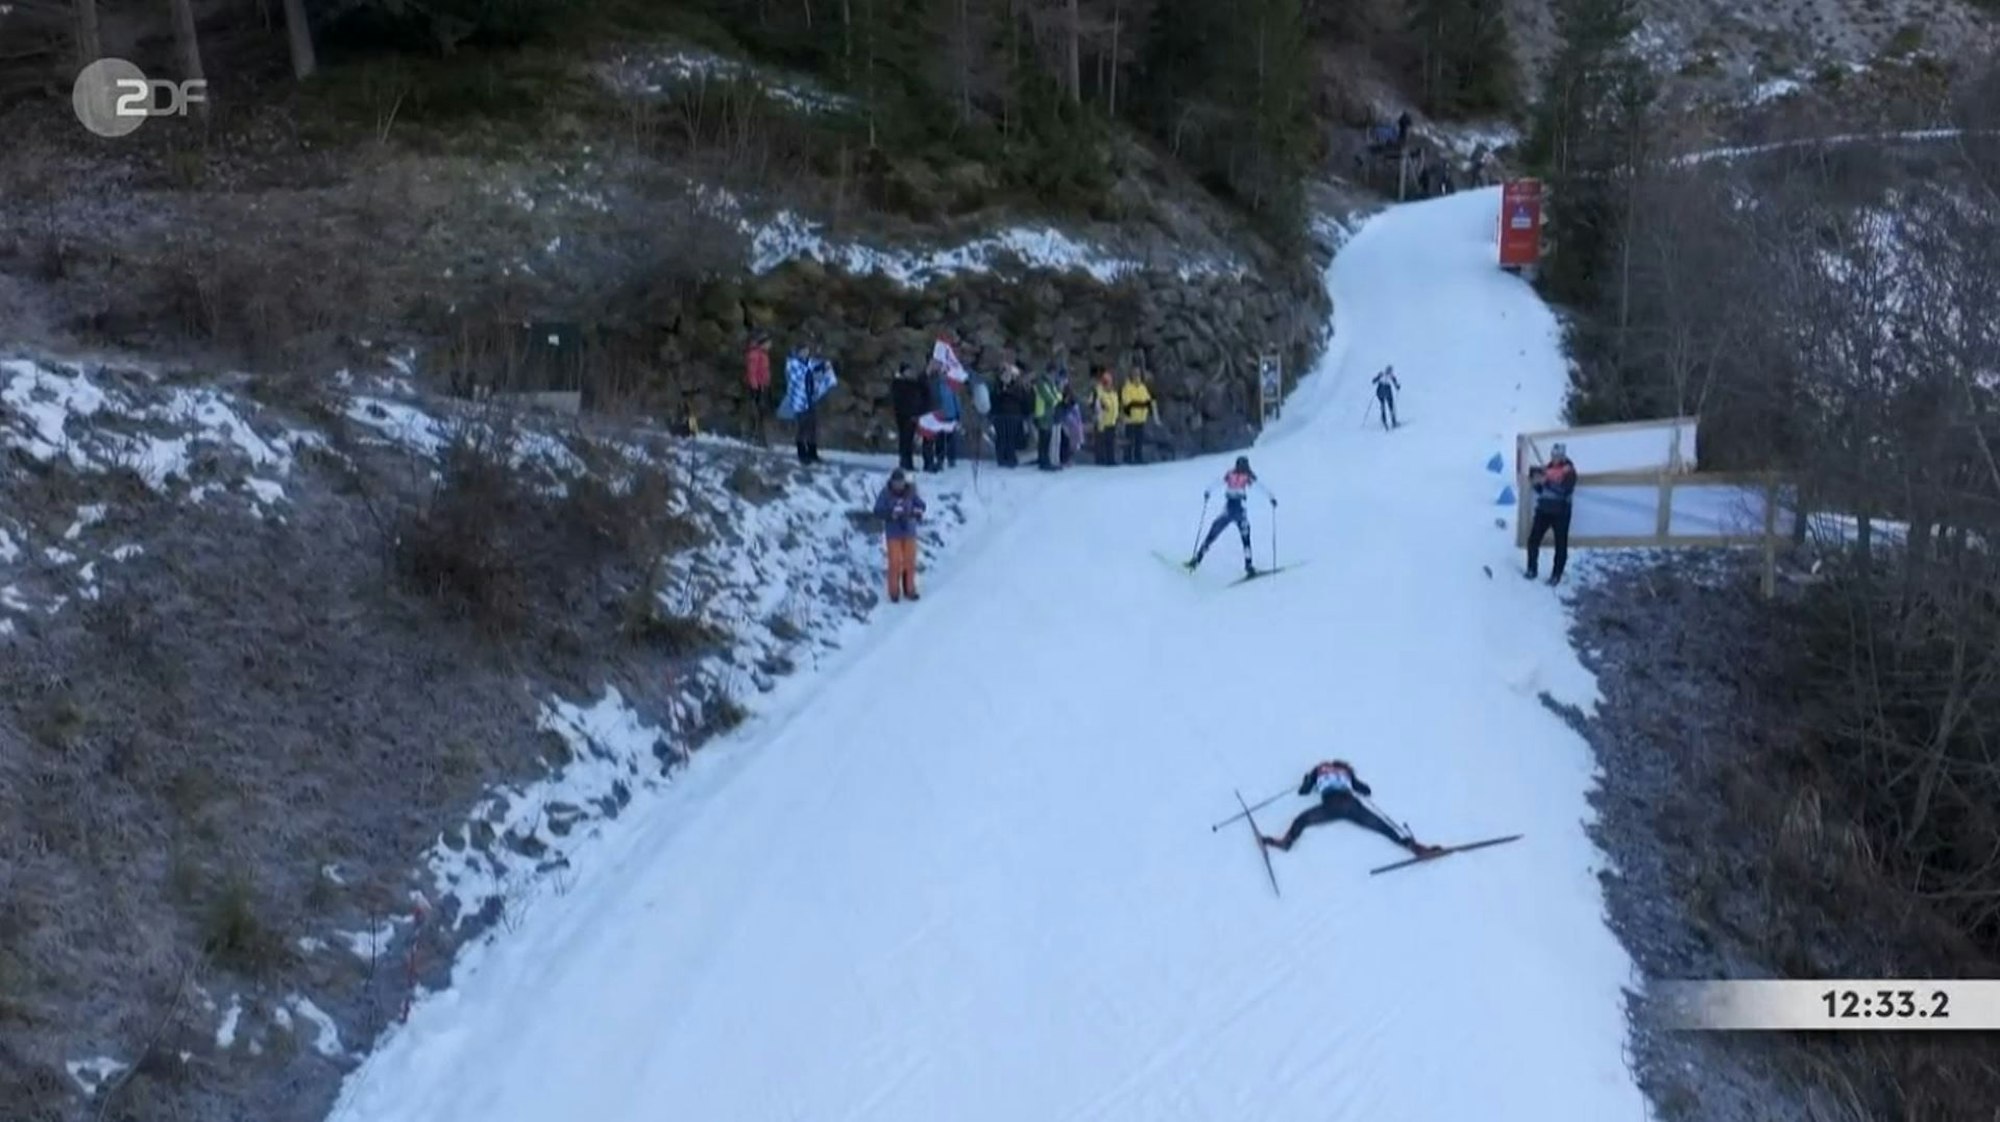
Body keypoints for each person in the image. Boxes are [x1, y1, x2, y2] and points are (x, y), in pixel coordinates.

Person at [1261, 760, 1442, 857]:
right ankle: (1415, 847)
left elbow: (1304, 791)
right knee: (1383, 826)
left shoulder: (1322, 772)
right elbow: (1363, 789)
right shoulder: (1343, 772)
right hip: (1349, 804)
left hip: (1334, 804)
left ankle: (1286, 843)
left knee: (1302, 819)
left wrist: (1308, 780)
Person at [1186, 455, 1276, 578]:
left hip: (1232, 510)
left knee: (1215, 534)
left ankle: (1197, 560)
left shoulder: (1239, 475)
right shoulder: (1241, 475)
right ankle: (1248, 565)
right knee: (1243, 537)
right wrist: (1271, 498)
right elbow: (1260, 487)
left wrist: (1208, 491)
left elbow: (1218, 482)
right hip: (1236, 510)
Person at [1525, 443, 1577, 585]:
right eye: (1553, 455)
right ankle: (1531, 569)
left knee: (1560, 545)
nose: (1554, 458)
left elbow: (1564, 491)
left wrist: (1546, 482)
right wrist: (1536, 483)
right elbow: (1542, 490)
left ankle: (1556, 576)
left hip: (1561, 513)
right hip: (1544, 510)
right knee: (1533, 540)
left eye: (1557, 456)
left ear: (1563, 456)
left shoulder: (1569, 471)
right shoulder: (1547, 469)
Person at [873, 469, 926, 603]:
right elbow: (877, 510)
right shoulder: (886, 493)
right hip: (893, 532)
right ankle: (894, 592)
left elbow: (921, 505)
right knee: (895, 562)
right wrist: (891, 514)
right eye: (896, 483)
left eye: (900, 482)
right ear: (892, 482)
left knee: (910, 561)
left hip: (909, 531)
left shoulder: (910, 492)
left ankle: (910, 590)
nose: (898, 485)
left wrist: (917, 511)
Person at [781, 345, 837, 465]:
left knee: (812, 427)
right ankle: (802, 453)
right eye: (803, 351)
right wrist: (819, 366)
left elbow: (814, 369)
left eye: (807, 351)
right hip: (799, 400)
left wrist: (823, 367)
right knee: (803, 428)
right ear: (797, 352)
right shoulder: (793, 364)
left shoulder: (808, 363)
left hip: (810, 399)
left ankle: (812, 452)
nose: (805, 353)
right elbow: (801, 374)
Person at [890, 361, 931, 472]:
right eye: (907, 371)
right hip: (904, 416)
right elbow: (899, 401)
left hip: (913, 415)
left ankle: (908, 462)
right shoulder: (899, 384)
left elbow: (923, 389)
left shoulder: (912, 383)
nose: (910, 373)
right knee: (905, 440)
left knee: (909, 440)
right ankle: (905, 462)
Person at [992, 365, 1030, 468]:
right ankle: (1001, 458)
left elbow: (1022, 398)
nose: (1007, 377)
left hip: (1014, 415)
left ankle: (1010, 457)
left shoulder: (1017, 386)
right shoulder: (997, 386)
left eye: (1009, 375)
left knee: (1011, 438)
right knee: (1002, 438)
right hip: (1001, 415)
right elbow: (995, 399)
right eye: (1005, 375)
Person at [930, 361, 962, 469]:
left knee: (951, 439)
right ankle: (940, 458)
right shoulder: (934, 384)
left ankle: (951, 459)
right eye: (942, 372)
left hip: (951, 415)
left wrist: (958, 414)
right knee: (939, 439)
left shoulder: (952, 386)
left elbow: (956, 400)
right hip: (939, 416)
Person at [1119, 367, 1154, 464]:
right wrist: (1140, 404)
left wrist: (1141, 405)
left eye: (1138, 374)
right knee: (1129, 440)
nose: (1136, 376)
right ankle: (1128, 458)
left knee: (1139, 440)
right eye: (1134, 374)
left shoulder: (1143, 387)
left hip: (1141, 419)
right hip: (1130, 419)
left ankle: (1138, 457)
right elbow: (1127, 402)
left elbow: (1148, 400)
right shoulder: (1127, 388)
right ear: (1131, 375)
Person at [744, 331, 773, 445]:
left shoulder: (763, 354)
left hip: (763, 385)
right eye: (768, 343)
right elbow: (752, 372)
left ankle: (760, 436)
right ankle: (756, 436)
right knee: (757, 411)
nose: (770, 345)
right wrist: (755, 386)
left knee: (762, 412)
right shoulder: (755, 354)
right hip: (757, 387)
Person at [1091, 369, 1120, 466]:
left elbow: (1115, 405)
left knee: (1110, 442)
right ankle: (1100, 460)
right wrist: (1099, 406)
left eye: (1109, 381)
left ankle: (1111, 459)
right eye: (1106, 381)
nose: (1108, 383)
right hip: (1101, 421)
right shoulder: (1098, 391)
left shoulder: (1113, 392)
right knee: (1100, 443)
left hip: (1111, 421)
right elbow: (1092, 403)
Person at [1372, 365, 1400, 430]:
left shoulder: (1382, 374)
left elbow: (1374, 381)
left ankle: (1385, 421)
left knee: (1383, 406)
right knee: (1390, 406)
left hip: (1380, 391)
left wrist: (1377, 379)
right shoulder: (1391, 376)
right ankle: (1393, 421)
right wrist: (1398, 387)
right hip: (1387, 391)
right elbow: (1396, 385)